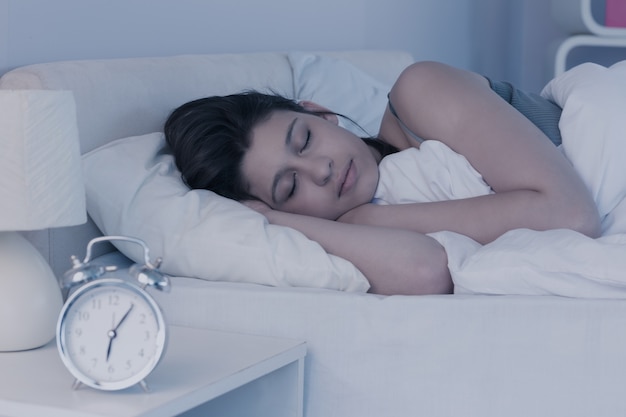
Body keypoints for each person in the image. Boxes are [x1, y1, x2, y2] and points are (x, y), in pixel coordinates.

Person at [164, 61, 601, 296]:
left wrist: (366, 223)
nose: (320, 170)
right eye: (290, 187)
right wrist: (282, 224)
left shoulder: (419, 90)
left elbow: (571, 214)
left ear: (320, 111)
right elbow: (425, 271)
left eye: (306, 139)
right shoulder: (358, 225)